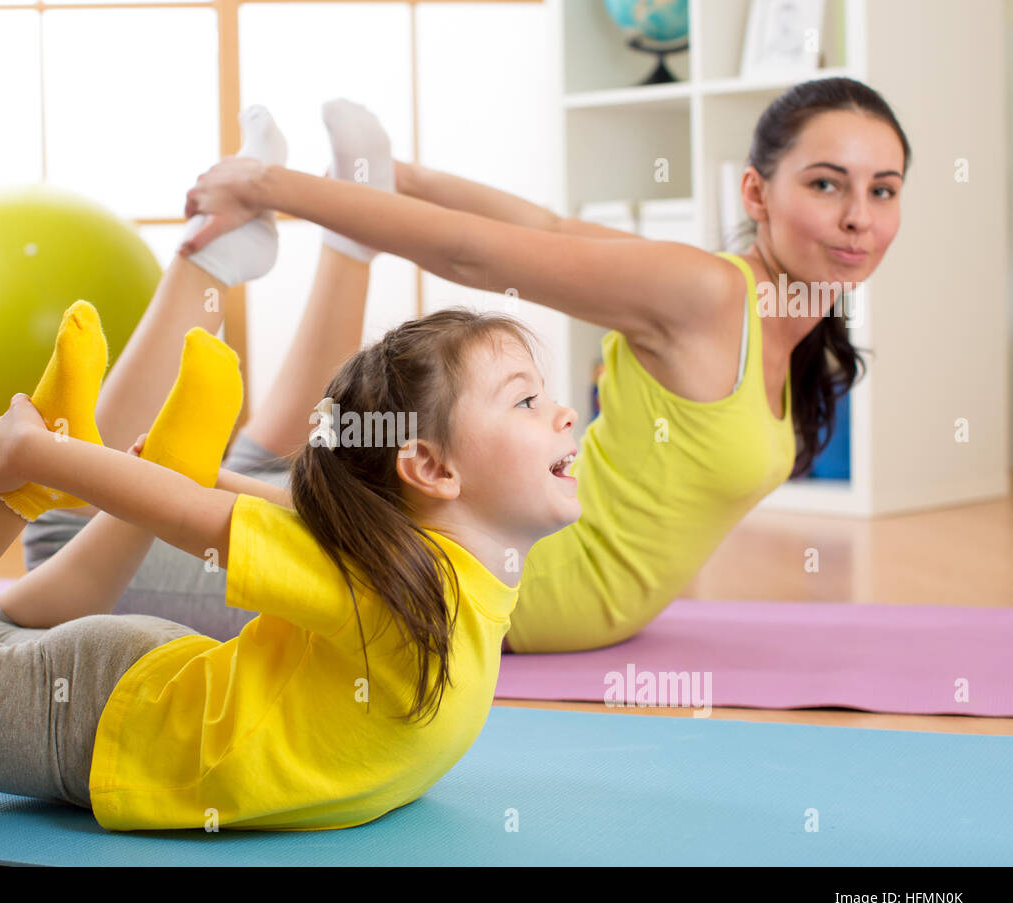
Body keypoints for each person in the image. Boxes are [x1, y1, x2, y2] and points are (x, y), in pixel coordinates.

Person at [0, 280, 581, 828]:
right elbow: (204, 521)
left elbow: (342, 512)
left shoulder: (431, 563)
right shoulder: (409, 583)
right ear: (433, 469)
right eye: (527, 399)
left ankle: (86, 454)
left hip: (157, 692)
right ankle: (29, 472)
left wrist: (210, 474)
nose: (566, 413)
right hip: (95, 724)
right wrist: (40, 463)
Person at [164, 77, 908, 653]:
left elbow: (545, 226)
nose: (859, 218)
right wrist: (271, 190)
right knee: (81, 543)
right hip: (506, 580)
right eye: (825, 183)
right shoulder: (709, 294)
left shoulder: (798, 322)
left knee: (246, 485)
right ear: (757, 192)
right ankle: (231, 259)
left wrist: (400, 175)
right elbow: (474, 255)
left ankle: (229, 466)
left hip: (543, 584)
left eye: (883, 190)